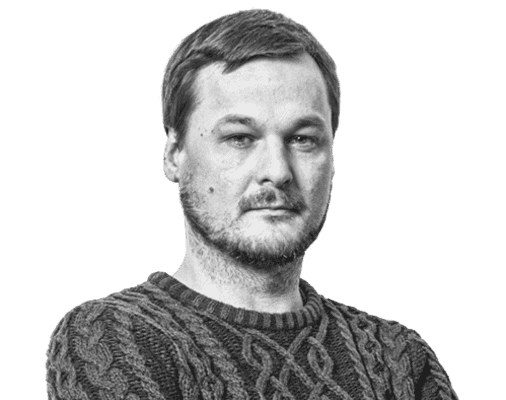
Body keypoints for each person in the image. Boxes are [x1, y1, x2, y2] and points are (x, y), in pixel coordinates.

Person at [45, 9, 459, 400]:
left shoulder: (397, 357)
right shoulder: (114, 335)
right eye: (240, 138)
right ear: (174, 154)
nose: (277, 171)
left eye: (303, 139)